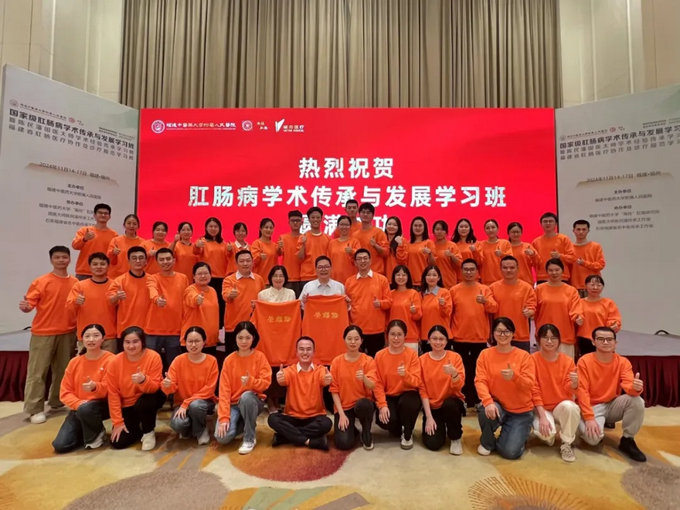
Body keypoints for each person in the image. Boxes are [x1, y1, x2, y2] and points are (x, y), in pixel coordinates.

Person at [19, 245, 78, 424]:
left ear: (69, 259)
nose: (61, 260)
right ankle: (34, 409)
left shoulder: (75, 283)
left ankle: (57, 401)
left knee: (62, 371)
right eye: (57, 257)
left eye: (64, 257)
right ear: (51, 260)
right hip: (43, 333)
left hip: (68, 332)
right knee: (37, 373)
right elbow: (29, 304)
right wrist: (26, 307)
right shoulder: (41, 281)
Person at [577, 326, 646, 462]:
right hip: (592, 406)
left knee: (637, 401)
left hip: (612, 404)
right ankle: (582, 423)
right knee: (593, 440)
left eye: (609, 339)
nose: (605, 342)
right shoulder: (584, 361)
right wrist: (589, 418)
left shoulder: (623, 362)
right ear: (593, 342)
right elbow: (582, 391)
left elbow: (628, 385)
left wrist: (635, 388)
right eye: (601, 339)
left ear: (615, 343)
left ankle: (627, 440)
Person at [475, 317, 535, 459]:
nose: (503, 335)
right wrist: (488, 402)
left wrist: (515, 377)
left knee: (510, 452)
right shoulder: (485, 354)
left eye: (507, 331)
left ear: (513, 334)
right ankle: (488, 442)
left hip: (520, 411)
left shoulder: (524, 356)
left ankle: (520, 432)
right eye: (499, 331)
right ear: (493, 333)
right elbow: (480, 380)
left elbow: (529, 384)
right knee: (484, 410)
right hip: (498, 405)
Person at [52, 323, 114, 452]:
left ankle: (96, 434)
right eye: (87, 336)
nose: (91, 339)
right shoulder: (74, 362)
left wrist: (95, 387)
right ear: (82, 339)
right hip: (79, 407)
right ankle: (85, 429)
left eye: (96, 336)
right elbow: (65, 392)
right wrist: (78, 404)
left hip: (102, 405)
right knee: (60, 445)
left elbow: (112, 389)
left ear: (103, 338)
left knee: (87, 409)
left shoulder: (111, 360)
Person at [267, 337, 333, 450]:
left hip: (315, 417)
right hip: (292, 417)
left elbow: (325, 379)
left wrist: (328, 380)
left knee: (327, 423)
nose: (305, 352)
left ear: (314, 352)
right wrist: (279, 379)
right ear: (296, 352)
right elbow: (283, 380)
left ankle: (284, 437)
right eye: (301, 349)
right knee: (272, 419)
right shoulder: (289, 370)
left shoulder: (321, 370)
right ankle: (309, 441)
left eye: (308, 349)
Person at [106, 326, 165, 450]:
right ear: (122, 343)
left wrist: (143, 380)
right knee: (118, 442)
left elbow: (155, 387)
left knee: (145, 402)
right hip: (127, 404)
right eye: (127, 342)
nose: (131, 346)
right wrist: (118, 422)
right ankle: (137, 429)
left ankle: (148, 432)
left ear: (142, 342)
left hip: (149, 397)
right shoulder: (114, 362)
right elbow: (113, 393)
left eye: (135, 342)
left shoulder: (153, 357)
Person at [450, 259, 498, 408]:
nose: (469, 272)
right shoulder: (454, 290)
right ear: (461, 271)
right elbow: (449, 314)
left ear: (477, 272)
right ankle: (463, 399)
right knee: (462, 371)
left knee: (478, 371)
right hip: (459, 337)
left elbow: (494, 308)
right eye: (466, 269)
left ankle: (478, 400)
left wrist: (485, 301)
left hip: (479, 338)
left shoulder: (485, 289)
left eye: (472, 269)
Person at [531, 324, 581, 462]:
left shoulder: (567, 361)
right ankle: (550, 434)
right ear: (538, 339)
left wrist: (574, 384)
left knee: (571, 407)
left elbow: (569, 388)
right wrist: (542, 416)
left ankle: (566, 443)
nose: (549, 341)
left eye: (553, 338)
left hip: (560, 406)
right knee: (546, 434)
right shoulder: (532, 360)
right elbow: (534, 390)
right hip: (541, 407)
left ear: (559, 340)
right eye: (545, 337)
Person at [163, 326, 218, 445]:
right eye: (190, 341)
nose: (193, 345)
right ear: (185, 342)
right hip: (181, 404)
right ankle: (191, 427)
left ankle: (201, 430)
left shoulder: (211, 361)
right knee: (177, 424)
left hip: (204, 402)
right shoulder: (178, 360)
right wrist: (167, 385)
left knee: (196, 405)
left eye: (197, 341)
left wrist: (187, 403)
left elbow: (209, 389)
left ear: (204, 342)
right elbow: (171, 388)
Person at [373, 320, 422, 449]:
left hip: (407, 395)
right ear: (387, 335)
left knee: (410, 402)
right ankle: (398, 427)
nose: (396, 338)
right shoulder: (379, 355)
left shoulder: (411, 354)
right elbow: (377, 383)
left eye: (399, 334)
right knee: (386, 421)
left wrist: (406, 375)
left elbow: (417, 382)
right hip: (389, 396)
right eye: (392, 334)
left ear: (405, 336)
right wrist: (382, 405)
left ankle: (408, 433)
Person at [419, 325, 466, 454]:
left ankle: (455, 437)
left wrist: (454, 374)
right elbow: (422, 390)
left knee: (450, 404)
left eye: (441, 339)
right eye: (434, 338)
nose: (438, 342)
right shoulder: (422, 360)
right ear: (428, 340)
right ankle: (439, 426)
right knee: (433, 444)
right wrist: (428, 417)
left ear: (446, 341)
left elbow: (459, 386)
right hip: (432, 407)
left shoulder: (455, 357)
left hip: (451, 404)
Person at [329, 325, 377, 450]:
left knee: (364, 404)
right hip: (344, 406)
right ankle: (353, 430)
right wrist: (341, 414)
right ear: (344, 340)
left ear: (361, 340)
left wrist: (364, 378)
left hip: (362, 404)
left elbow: (373, 385)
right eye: (349, 338)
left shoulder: (368, 360)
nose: (353, 342)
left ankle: (366, 431)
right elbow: (334, 390)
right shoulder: (336, 362)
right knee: (343, 443)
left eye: (356, 339)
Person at [145, 248, 189, 370]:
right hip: (153, 330)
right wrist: (156, 299)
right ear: (157, 262)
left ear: (174, 260)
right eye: (162, 259)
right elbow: (152, 290)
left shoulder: (183, 278)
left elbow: (186, 300)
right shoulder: (152, 278)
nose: (165, 262)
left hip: (176, 330)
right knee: (150, 367)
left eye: (168, 259)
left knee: (174, 368)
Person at [344, 249, 392, 357]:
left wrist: (380, 303)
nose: (362, 261)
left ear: (370, 261)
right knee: (357, 361)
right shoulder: (349, 282)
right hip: (356, 330)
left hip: (377, 329)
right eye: (359, 259)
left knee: (376, 361)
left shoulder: (382, 280)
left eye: (365, 258)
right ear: (355, 262)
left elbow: (389, 302)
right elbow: (346, 305)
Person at [67, 252, 117, 353]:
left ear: (108, 266)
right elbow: (69, 309)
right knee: (85, 363)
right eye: (95, 264)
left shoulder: (115, 285)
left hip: (109, 336)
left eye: (102, 264)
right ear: (89, 266)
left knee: (109, 363)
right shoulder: (79, 286)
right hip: (86, 335)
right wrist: (76, 302)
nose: (99, 267)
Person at [535, 259, 584, 359]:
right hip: (544, 334)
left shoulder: (571, 291)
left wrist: (578, 317)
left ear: (562, 271)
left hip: (565, 335)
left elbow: (576, 309)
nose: (554, 273)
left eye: (557, 270)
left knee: (566, 366)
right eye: (551, 270)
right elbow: (533, 307)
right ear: (546, 272)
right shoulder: (539, 289)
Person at [489, 256, 536, 352]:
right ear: (500, 269)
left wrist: (529, 311)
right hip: (499, 335)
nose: (508, 270)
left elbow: (532, 306)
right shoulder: (492, 288)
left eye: (512, 267)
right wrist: (489, 333)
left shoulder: (527, 288)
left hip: (520, 336)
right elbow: (489, 313)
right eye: (505, 268)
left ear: (518, 268)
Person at [222, 250, 265, 354]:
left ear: (252, 262)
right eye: (241, 261)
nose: (245, 264)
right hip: (233, 327)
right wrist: (231, 295)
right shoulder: (229, 280)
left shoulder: (259, 279)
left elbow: (263, 300)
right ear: (236, 263)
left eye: (248, 260)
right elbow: (226, 296)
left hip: (254, 327)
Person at [107, 247, 151, 343]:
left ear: (146, 261)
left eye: (141, 258)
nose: (138, 261)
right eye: (134, 258)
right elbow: (110, 301)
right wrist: (116, 297)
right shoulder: (119, 281)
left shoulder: (152, 280)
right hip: (125, 329)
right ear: (128, 261)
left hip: (148, 330)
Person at [194, 217, 228, 328]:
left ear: (220, 228)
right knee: (205, 305)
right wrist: (197, 246)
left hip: (221, 278)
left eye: (215, 226)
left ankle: (218, 329)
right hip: (206, 279)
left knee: (220, 306)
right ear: (206, 228)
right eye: (211, 226)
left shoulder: (223, 243)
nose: (213, 229)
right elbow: (196, 252)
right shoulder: (202, 241)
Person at [576, 275, 622, 358]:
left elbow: (615, 319)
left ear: (603, 287)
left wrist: (614, 325)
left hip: (604, 339)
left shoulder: (608, 303)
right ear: (585, 286)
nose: (595, 288)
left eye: (599, 285)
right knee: (586, 361)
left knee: (605, 361)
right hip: (584, 339)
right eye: (592, 285)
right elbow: (575, 316)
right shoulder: (579, 302)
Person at [182, 262, 220, 356]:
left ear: (210, 275)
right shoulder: (190, 290)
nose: (203, 276)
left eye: (206, 273)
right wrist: (197, 300)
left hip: (210, 341)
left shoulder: (213, 291)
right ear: (193, 276)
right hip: (194, 342)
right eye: (199, 274)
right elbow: (192, 298)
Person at [71, 203, 117, 280]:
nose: (103, 215)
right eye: (100, 213)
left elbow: (113, 256)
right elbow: (75, 246)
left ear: (109, 217)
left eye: (106, 213)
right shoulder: (84, 230)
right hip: (84, 272)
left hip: (103, 272)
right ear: (94, 215)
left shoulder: (114, 235)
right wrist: (84, 239)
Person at [531, 212, 576, 283]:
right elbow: (534, 263)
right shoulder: (536, 242)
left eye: (551, 221)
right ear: (541, 224)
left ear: (556, 224)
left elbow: (572, 258)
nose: (548, 223)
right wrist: (533, 255)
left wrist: (560, 256)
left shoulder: (564, 239)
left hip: (561, 276)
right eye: (545, 221)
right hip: (542, 277)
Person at [388, 265, 422, 350]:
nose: (401, 277)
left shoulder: (413, 293)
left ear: (408, 277)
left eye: (404, 275)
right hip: (393, 336)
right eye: (398, 275)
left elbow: (418, 316)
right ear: (394, 277)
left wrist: (414, 311)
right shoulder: (390, 294)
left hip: (410, 336)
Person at [419, 265, 452, 353]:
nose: (431, 278)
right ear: (425, 277)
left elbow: (447, 313)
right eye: (429, 275)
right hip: (426, 336)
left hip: (442, 335)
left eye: (434, 275)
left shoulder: (445, 292)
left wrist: (443, 305)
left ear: (439, 278)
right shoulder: (420, 294)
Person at [395, 216, 435, 288]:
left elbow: (433, 264)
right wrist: (400, 245)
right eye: (415, 226)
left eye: (420, 226)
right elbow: (401, 262)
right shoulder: (407, 243)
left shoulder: (429, 243)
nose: (417, 228)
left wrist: (430, 254)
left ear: (424, 228)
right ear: (412, 227)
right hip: (409, 282)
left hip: (424, 282)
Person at [352, 203, 389, 275]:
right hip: (359, 273)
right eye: (363, 212)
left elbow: (386, 253)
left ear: (372, 215)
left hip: (376, 273)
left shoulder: (379, 232)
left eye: (368, 213)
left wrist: (375, 245)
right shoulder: (354, 235)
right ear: (359, 214)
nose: (365, 214)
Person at [297, 207, 330, 286]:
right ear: (309, 219)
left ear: (321, 219)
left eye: (318, 217)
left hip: (323, 275)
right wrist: (303, 244)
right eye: (313, 217)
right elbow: (300, 258)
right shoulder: (303, 237)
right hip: (307, 276)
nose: (315, 220)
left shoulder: (327, 238)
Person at [571, 219, 606, 295]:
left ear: (588, 231)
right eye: (578, 229)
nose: (581, 232)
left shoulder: (595, 246)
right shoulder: (569, 248)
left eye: (584, 229)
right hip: (574, 286)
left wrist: (585, 263)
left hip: (592, 286)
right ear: (573, 230)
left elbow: (601, 265)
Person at [475, 219, 512, 285]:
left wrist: (502, 254)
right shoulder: (480, 244)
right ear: (485, 230)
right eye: (488, 228)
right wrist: (474, 251)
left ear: (498, 229)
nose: (490, 230)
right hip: (485, 280)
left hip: (502, 280)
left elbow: (511, 260)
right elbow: (478, 262)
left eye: (493, 227)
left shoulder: (505, 243)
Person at [107, 214, 144, 278]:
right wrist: (113, 252)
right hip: (116, 276)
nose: (131, 226)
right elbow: (108, 259)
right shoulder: (116, 240)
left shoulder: (143, 243)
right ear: (124, 225)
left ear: (138, 226)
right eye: (129, 223)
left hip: (135, 276)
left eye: (134, 224)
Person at [277, 210, 304, 297]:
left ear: (302, 222)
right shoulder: (283, 238)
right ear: (288, 222)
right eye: (293, 220)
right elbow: (279, 253)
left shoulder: (305, 238)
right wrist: (278, 247)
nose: (295, 223)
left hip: (303, 277)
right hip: (288, 277)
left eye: (298, 220)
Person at [328, 215, 361, 283]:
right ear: (338, 226)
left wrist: (352, 251)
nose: (344, 227)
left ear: (350, 226)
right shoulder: (332, 243)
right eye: (342, 224)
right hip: (334, 279)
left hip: (351, 279)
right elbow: (328, 261)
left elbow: (359, 257)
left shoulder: (355, 242)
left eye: (346, 225)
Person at [431, 220, 462, 288]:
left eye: (442, 230)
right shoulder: (430, 245)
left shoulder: (452, 245)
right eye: (437, 229)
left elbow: (460, 263)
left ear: (446, 232)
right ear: (433, 231)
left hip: (449, 282)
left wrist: (452, 255)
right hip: (434, 283)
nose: (439, 232)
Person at [451, 218, 477, 283]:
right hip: (456, 279)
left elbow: (480, 262)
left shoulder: (476, 244)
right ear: (457, 229)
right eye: (461, 227)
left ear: (470, 229)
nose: (463, 229)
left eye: (466, 227)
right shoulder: (452, 245)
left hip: (473, 279)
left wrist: (475, 251)